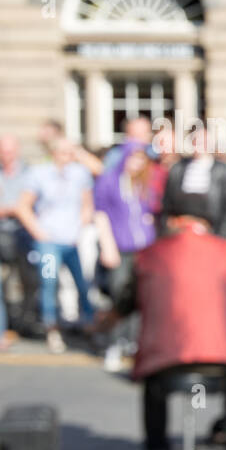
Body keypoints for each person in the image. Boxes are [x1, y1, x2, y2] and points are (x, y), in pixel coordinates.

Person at [93, 214, 226, 450]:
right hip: (221, 358)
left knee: (153, 385)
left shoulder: (147, 254)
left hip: (165, 362)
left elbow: (125, 302)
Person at [11, 137, 96, 352]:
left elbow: (87, 203)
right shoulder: (39, 174)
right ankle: (52, 328)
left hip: (72, 241)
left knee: (82, 283)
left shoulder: (80, 174)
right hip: (49, 243)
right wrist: (39, 232)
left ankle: (89, 324)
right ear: (54, 153)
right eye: (63, 153)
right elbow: (24, 206)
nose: (67, 157)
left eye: (70, 153)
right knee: (49, 283)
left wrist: (80, 228)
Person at [91, 137, 159, 372]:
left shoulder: (142, 183)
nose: (137, 164)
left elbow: (148, 213)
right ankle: (114, 343)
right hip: (120, 246)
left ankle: (133, 341)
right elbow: (100, 214)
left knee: (140, 295)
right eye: (134, 158)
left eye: (141, 159)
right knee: (119, 295)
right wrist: (107, 245)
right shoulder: (109, 181)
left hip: (143, 247)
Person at [0, 134, 35, 350]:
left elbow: (35, 204)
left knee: (37, 281)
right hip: (1, 235)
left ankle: (27, 323)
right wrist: (16, 208)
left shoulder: (31, 172)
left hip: (28, 235)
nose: (7, 154)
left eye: (10, 150)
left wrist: (17, 209)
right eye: (3, 150)